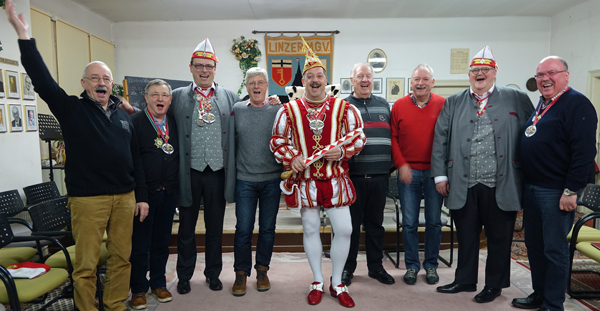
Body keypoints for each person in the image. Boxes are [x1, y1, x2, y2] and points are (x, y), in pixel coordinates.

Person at [5, 1, 148, 311]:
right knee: (86, 266)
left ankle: (114, 304)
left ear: (112, 85)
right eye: (94, 78)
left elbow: (136, 158)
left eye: (106, 79)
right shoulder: (71, 109)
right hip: (88, 201)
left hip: (124, 198)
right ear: (84, 83)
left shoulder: (124, 116)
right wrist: (25, 35)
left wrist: (142, 196)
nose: (101, 82)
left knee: (123, 258)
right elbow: (42, 80)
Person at [431, 46, 534, 303]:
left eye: (485, 69)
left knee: (499, 238)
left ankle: (494, 285)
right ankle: (464, 280)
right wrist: (440, 176)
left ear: (494, 72)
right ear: (469, 75)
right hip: (462, 182)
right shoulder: (453, 102)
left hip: (503, 182)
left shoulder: (516, 98)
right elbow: (440, 139)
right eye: (475, 70)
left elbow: (533, 135)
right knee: (465, 235)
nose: (480, 74)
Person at [271, 36, 366, 308]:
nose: (314, 80)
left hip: (336, 178)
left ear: (327, 79)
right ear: (303, 82)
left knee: (345, 229)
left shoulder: (344, 108)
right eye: (310, 76)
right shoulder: (288, 110)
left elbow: (359, 137)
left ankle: (337, 281)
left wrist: (343, 151)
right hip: (306, 180)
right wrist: (293, 158)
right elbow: (277, 140)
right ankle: (316, 280)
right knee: (311, 228)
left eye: (319, 75)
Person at [512, 57, 597, 311]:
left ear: (566, 75)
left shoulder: (577, 104)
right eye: (539, 75)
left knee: (554, 250)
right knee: (534, 248)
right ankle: (539, 294)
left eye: (551, 73)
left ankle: (552, 304)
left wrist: (571, 191)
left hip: (557, 192)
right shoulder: (542, 104)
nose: (545, 79)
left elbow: (584, 153)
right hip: (533, 189)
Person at [169, 38, 239, 294]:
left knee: (215, 227)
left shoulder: (230, 96)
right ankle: (185, 275)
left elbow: (250, 114)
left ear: (215, 68)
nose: (204, 70)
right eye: (199, 66)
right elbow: (156, 118)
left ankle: (213, 273)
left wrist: (273, 103)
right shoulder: (176, 97)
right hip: (189, 172)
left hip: (217, 173)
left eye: (209, 66)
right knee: (186, 228)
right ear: (191, 67)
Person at [231, 67, 283, 296]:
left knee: (267, 229)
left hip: (271, 179)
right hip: (245, 180)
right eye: (252, 82)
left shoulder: (278, 109)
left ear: (267, 86)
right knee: (243, 229)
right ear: (247, 87)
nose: (256, 86)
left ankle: (262, 269)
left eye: (260, 82)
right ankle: (241, 273)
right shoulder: (237, 110)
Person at [391, 64, 445, 285]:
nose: (420, 83)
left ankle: (431, 265)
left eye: (425, 79)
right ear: (410, 82)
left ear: (433, 82)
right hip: (408, 172)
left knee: (434, 222)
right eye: (416, 79)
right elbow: (393, 137)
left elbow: (448, 138)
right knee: (410, 223)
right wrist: (401, 164)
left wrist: (443, 173)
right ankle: (412, 266)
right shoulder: (399, 105)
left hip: (434, 172)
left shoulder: (444, 104)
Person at [342, 62, 394, 287]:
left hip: (380, 178)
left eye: (368, 76)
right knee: (350, 228)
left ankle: (376, 267)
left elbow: (394, 138)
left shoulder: (384, 105)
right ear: (352, 80)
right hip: (352, 178)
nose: (365, 80)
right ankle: (347, 268)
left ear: (373, 79)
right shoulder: (342, 107)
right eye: (360, 76)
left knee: (376, 225)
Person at [129, 79, 179, 309]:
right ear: (146, 98)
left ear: (170, 99)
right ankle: (138, 288)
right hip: (144, 196)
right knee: (141, 245)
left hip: (168, 194)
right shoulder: (135, 123)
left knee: (161, 243)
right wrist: (141, 197)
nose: (160, 99)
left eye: (164, 95)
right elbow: (134, 163)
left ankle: (158, 283)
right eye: (155, 94)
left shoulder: (175, 123)